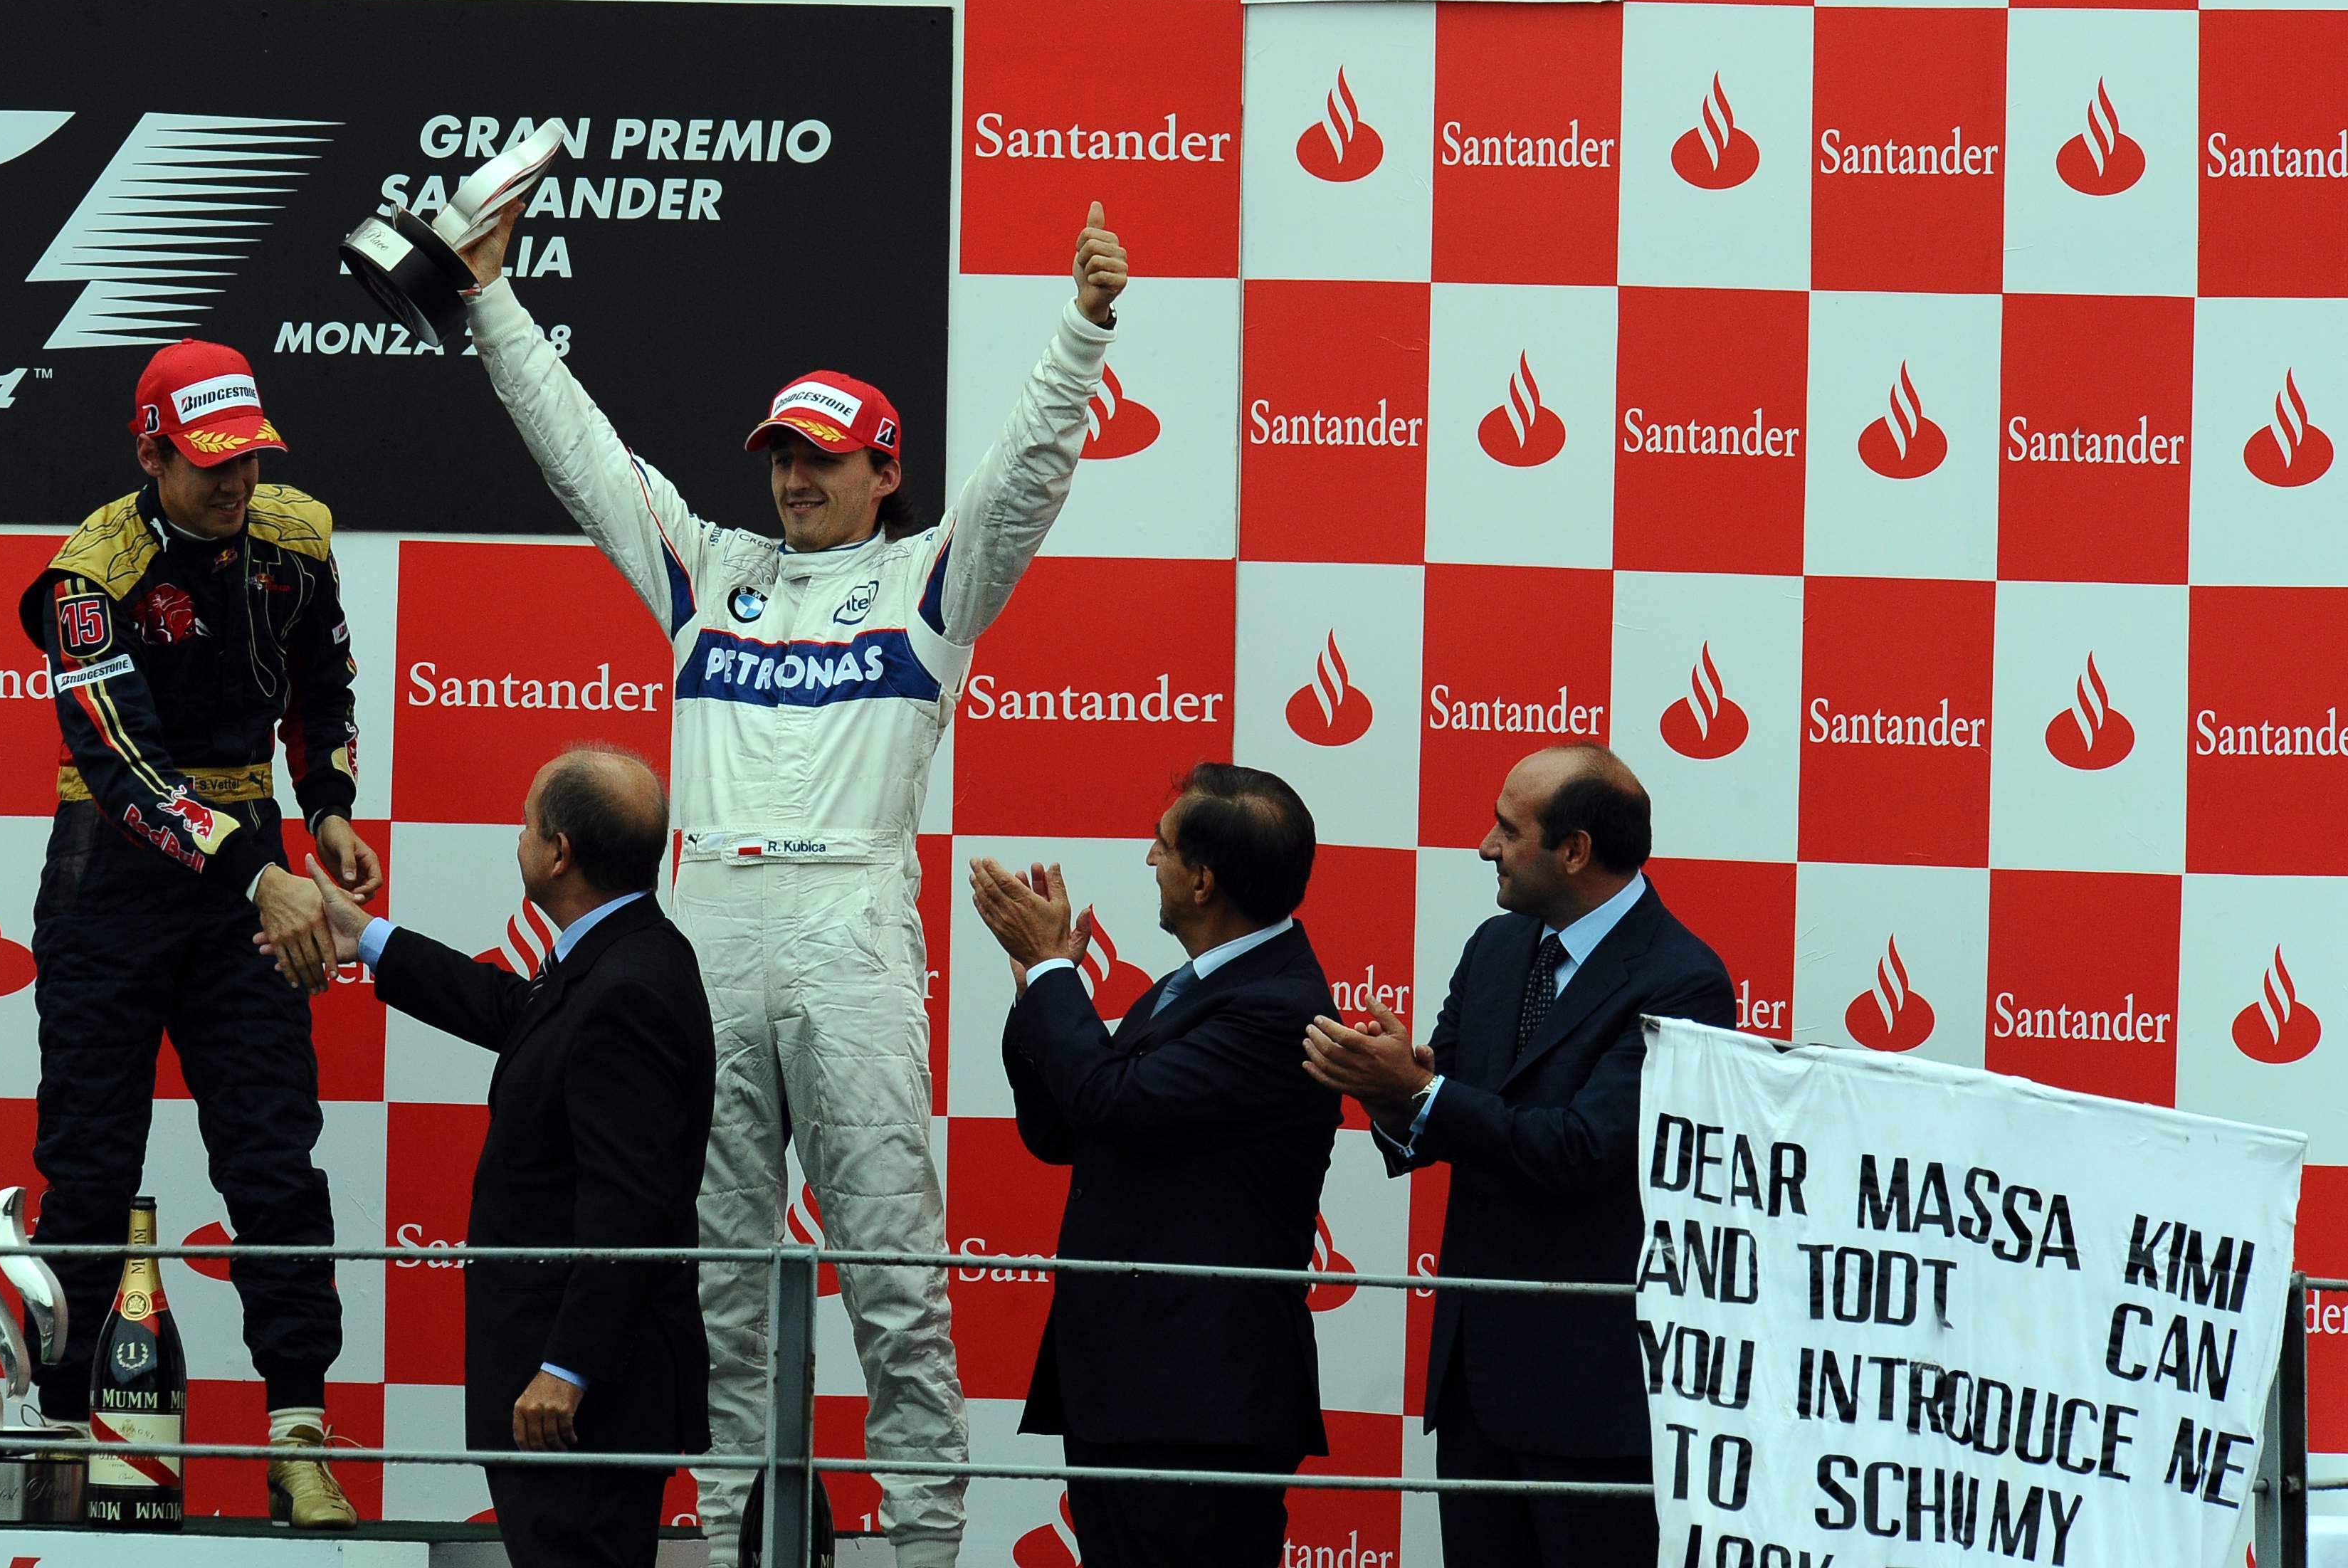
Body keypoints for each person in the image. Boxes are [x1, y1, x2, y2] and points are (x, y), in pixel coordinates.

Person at [453, 196, 1130, 1568]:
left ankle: (925, 1550)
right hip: (706, 929)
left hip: (850, 922)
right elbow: (584, 454)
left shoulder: (930, 585)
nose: (794, 479)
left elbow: (1020, 479)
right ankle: (724, 1542)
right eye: (780, 455)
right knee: (712, 1280)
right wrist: (489, 300)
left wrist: (1081, 328)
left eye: (822, 457)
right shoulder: (710, 574)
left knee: (892, 1267)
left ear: (885, 470)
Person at [14, 340, 382, 1527]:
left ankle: (298, 1435)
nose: (237, 481)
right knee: (88, 1168)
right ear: (151, 454)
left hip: (250, 867)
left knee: (275, 1157)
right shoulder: (88, 576)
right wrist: (260, 875)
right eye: (212, 461)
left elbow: (322, 686)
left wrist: (327, 809)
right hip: (112, 874)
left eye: (250, 456)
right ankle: (62, 1440)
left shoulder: (297, 536)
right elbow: (121, 766)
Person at [1303, 744, 1733, 1568]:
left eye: (1507, 829)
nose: (1484, 847)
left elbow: (1585, 1150)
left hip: (1594, 1402)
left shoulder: (1682, 981)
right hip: (1475, 1386)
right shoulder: (1496, 947)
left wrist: (1423, 1093)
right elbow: (1451, 1105)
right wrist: (1391, 1090)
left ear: (1573, 851)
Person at [308, 749, 712, 1568]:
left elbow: (628, 1208)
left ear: (559, 853)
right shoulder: (621, 955)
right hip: (568, 1394)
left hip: (577, 1405)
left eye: (526, 825)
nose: (515, 838)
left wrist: (566, 1370)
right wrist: (369, 938)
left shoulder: (626, 987)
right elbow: (517, 1010)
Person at [969, 764, 1342, 1568]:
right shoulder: (1188, 987)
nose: (1148, 859)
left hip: (1200, 1398)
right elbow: (1066, 1130)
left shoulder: (1278, 1008)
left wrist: (1053, 975)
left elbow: (1109, 1103)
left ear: (1203, 881)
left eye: (1162, 846)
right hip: (1129, 1386)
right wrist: (1038, 990)